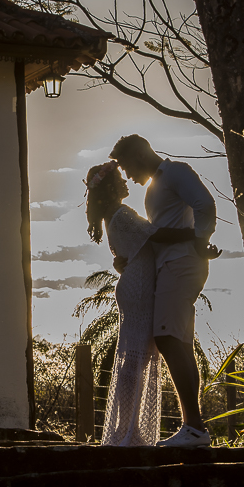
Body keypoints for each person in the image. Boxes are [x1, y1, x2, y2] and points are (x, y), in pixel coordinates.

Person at [110, 135, 219, 448]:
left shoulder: (176, 173)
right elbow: (155, 235)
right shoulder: (154, 187)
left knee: (168, 339)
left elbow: (205, 204)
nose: (128, 175)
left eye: (128, 166)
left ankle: (194, 428)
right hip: (170, 266)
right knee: (179, 341)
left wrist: (199, 239)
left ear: (141, 155)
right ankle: (193, 427)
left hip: (181, 264)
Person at [84, 161, 199, 446]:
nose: (125, 182)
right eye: (120, 179)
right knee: (134, 359)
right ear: (109, 187)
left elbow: (135, 247)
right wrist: (195, 235)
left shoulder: (115, 215)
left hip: (137, 283)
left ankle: (130, 428)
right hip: (138, 287)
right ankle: (127, 429)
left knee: (135, 357)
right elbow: (156, 235)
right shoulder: (121, 214)